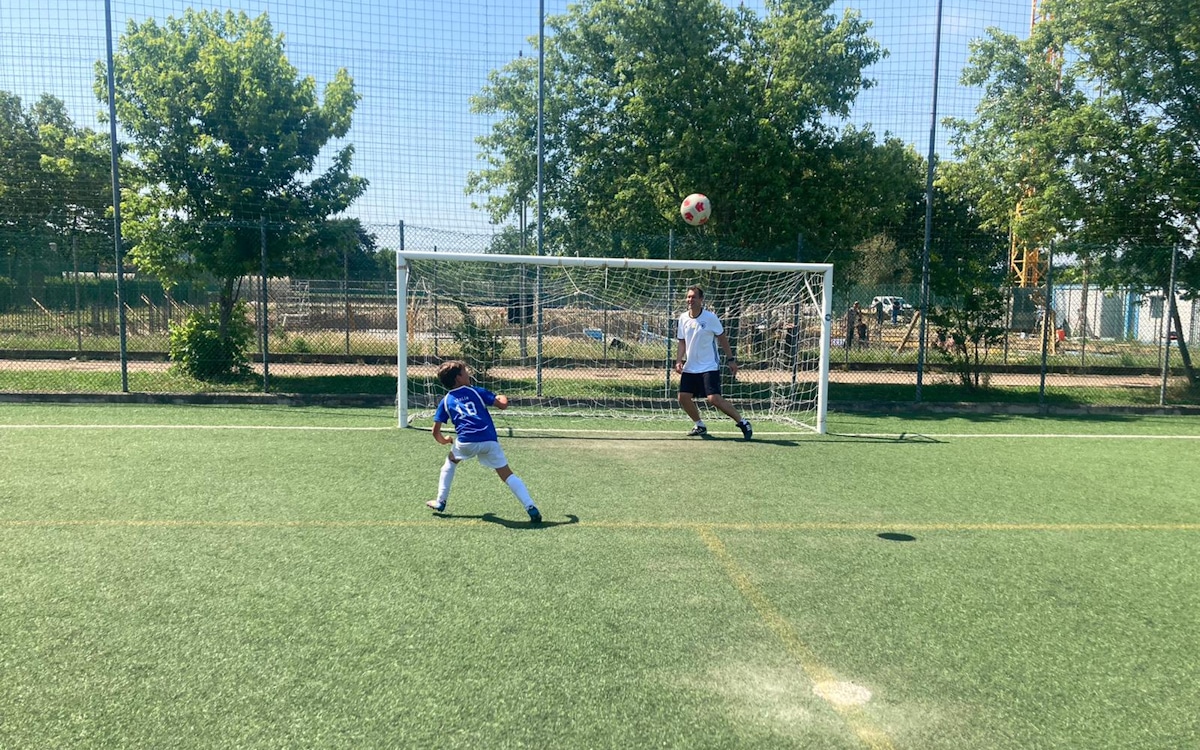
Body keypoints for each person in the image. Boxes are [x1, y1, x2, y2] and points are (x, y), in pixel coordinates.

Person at [426, 360, 542, 523]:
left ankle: (440, 501)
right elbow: (502, 405)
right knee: (507, 475)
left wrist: (444, 440)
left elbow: (435, 431)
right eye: (465, 372)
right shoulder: (476, 391)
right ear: (458, 378)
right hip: (489, 440)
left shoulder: (446, 400)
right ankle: (530, 506)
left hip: (466, 442)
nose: (468, 375)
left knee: (450, 463)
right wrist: (503, 397)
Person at [674, 286, 752, 440]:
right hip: (691, 366)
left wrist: (731, 360)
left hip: (709, 365)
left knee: (713, 399)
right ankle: (699, 425)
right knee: (683, 397)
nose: (690, 300)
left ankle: (743, 422)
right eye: (688, 297)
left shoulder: (710, 318)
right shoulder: (683, 318)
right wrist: (678, 360)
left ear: (701, 299)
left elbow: (722, 338)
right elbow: (682, 342)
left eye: (693, 297)